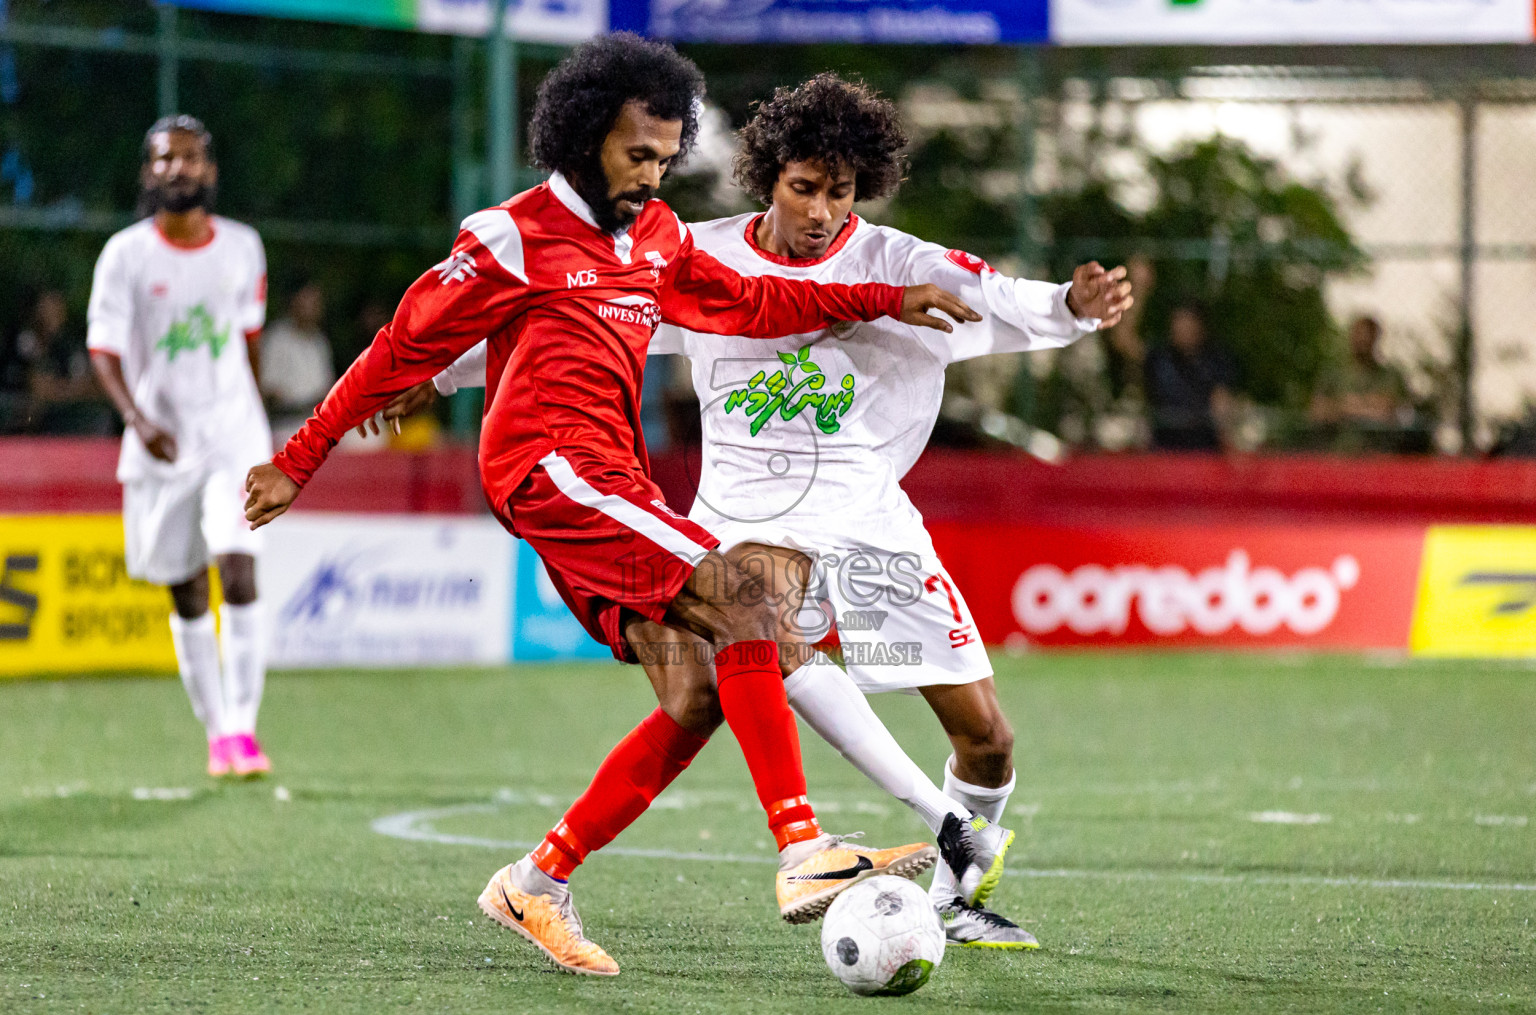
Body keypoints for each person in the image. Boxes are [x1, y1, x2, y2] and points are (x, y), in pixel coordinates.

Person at [242, 35, 981, 977]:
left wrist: (885, 296)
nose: (653, 172)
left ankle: (535, 882)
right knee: (751, 594)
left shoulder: (659, 235)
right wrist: (296, 462)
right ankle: (801, 848)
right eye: (639, 153)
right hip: (548, 470)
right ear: (584, 135)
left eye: (668, 157)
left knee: (700, 689)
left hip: (613, 485)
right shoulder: (510, 237)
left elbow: (751, 303)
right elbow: (398, 351)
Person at [418, 73, 1133, 949]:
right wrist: (432, 370)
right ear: (767, 178)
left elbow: (1001, 297)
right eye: (804, 188)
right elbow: (554, 315)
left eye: (840, 192)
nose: (822, 211)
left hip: (869, 524)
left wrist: (1070, 305)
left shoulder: (898, 264)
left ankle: (950, 888)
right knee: (734, 639)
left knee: (986, 739)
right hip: (737, 521)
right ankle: (814, 844)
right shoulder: (697, 253)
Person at [87, 115, 273, 780]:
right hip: (160, 442)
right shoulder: (125, 255)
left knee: (239, 567)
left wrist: (253, 419)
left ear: (211, 170)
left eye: (191, 158)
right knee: (187, 593)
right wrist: (138, 420)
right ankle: (218, 731)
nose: (179, 168)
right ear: (148, 172)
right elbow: (103, 348)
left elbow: (248, 341)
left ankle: (245, 732)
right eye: (166, 158)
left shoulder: (244, 248)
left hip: (232, 433)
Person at [11, 289, 110, 435]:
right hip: (27, 412)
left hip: (65, 411)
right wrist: (70, 389)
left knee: (98, 416)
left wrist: (63, 390)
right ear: (37, 310)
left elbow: (93, 386)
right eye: (48, 307)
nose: (53, 313)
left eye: (57, 307)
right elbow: (38, 387)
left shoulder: (68, 344)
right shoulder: (27, 341)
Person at [1144, 299, 1236, 451]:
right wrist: (1140, 290)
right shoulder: (1158, 357)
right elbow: (1123, 340)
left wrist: (1228, 442)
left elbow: (1221, 402)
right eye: (1178, 322)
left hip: (1203, 449)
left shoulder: (1216, 360)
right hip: (1163, 448)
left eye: (1188, 321)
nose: (1182, 328)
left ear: (1200, 326)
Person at [1309, 315, 1407, 452]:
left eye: (1366, 335)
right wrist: (1366, 404)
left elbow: (1385, 412)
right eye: (1358, 334)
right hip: (1338, 456)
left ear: (1375, 339)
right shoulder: (1333, 375)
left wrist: (1343, 406)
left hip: (1376, 456)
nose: (1361, 340)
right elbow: (1318, 412)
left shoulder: (1389, 376)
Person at [259, 277, 335, 444]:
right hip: (287, 424)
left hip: (320, 421)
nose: (315, 305)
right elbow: (269, 394)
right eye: (309, 298)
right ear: (293, 301)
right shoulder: (277, 339)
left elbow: (328, 389)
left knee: (367, 438)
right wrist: (305, 404)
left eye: (317, 300)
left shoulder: (319, 341)